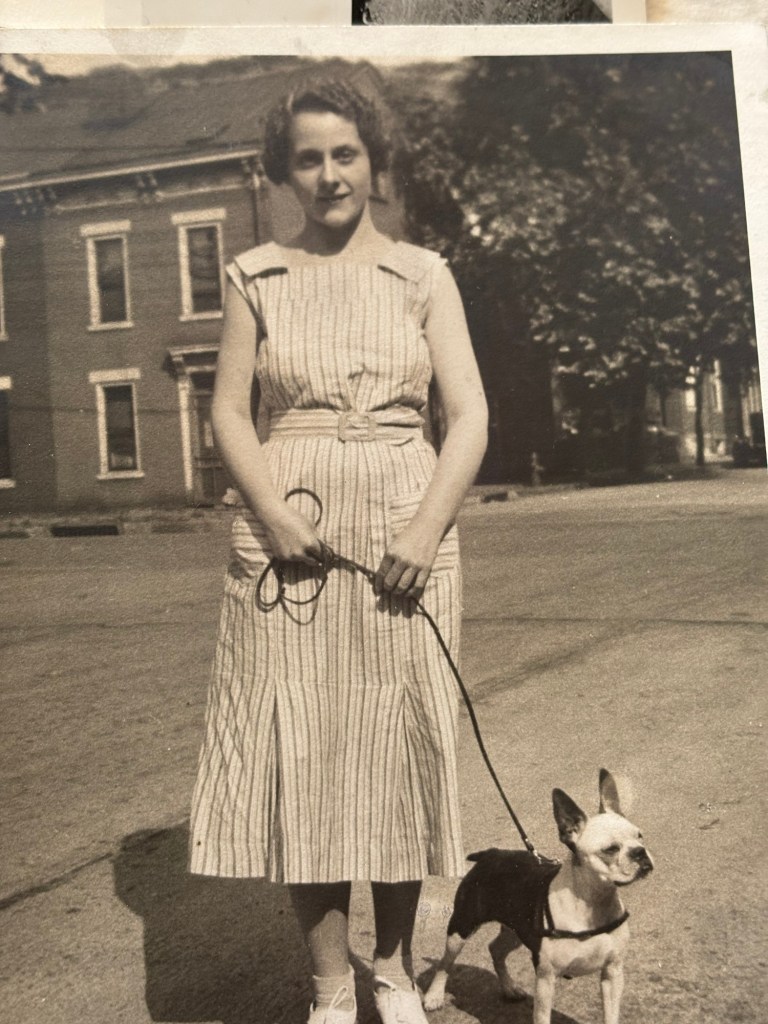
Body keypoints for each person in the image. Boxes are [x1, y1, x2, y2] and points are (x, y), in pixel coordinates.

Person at [188, 77, 488, 1024]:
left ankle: (391, 973)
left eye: (345, 154)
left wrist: (423, 529)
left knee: (396, 746)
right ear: (284, 171)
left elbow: (470, 415)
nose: (329, 175)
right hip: (292, 542)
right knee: (306, 752)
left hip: (404, 529)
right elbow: (228, 411)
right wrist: (272, 514)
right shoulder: (255, 275)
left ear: (373, 160)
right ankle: (328, 989)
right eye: (308, 158)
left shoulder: (423, 274)